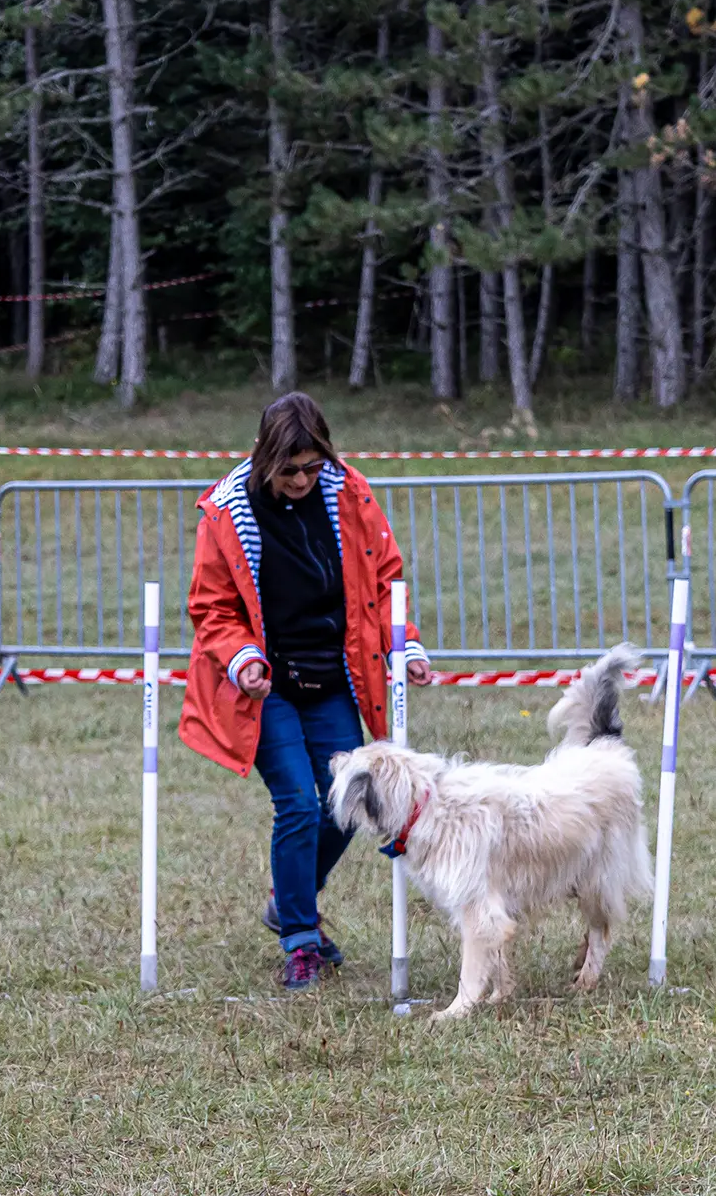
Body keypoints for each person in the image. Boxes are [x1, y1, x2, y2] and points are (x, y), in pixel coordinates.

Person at [180, 392, 429, 990]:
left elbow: (386, 578)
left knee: (347, 804)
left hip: (335, 677)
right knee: (296, 802)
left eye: (311, 467)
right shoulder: (227, 511)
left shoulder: (350, 494)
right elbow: (211, 606)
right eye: (288, 469)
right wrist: (242, 659)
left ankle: (287, 899)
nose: (299, 479)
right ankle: (299, 939)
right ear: (266, 459)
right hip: (265, 688)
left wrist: (406, 644)